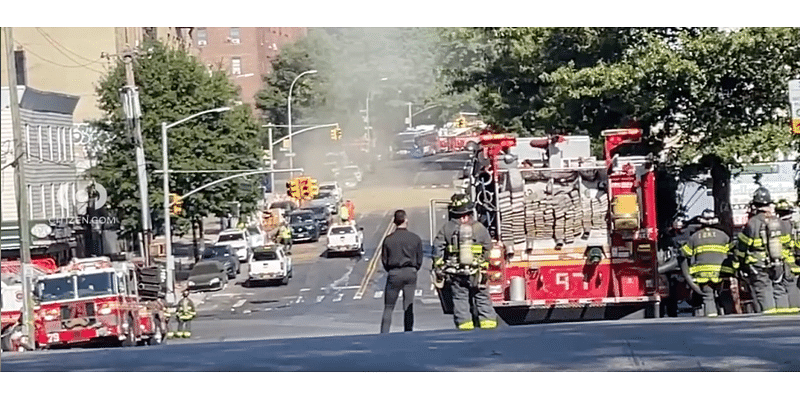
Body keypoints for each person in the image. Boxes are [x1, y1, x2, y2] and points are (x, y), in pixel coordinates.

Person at [432, 193, 498, 330]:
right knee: (482, 298)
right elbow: (488, 246)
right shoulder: (479, 227)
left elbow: (437, 248)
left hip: (456, 273)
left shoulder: (447, 228)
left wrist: (438, 266)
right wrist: (484, 264)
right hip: (477, 272)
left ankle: (465, 328)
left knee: (460, 300)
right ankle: (489, 327)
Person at [736, 187, 791, 314]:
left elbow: (742, 247)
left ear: (755, 205)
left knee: (764, 292)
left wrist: (739, 264)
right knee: (779, 289)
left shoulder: (752, 223)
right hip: (779, 263)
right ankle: (784, 321)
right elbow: (787, 243)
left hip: (758, 265)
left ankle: (770, 322)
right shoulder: (778, 222)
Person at [680, 209, 735, 317]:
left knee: (708, 297)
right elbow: (733, 252)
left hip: (703, 275)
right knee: (723, 295)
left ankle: (712, 319)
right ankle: (727, 315)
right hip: (721, 274)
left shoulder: (695, 237)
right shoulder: (723, 236)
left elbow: (685, 254)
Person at [379, 210, 423, 333]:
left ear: (394, 222)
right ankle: (408, 331)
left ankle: (384, 333)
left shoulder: (388, 240)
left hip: (394, 273)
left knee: (388, 307)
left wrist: (391, 270)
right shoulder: (415, 238)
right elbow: (419, 258)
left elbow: (385, 260)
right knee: (408, 305)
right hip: (410, 272)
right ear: (406, 220)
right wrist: (414, 268)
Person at [774, 199, 800, 313]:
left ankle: (783, 313)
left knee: (779, 288)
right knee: (792, 287)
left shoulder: (774, 225)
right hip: (794, 263)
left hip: (779, 262)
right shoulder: (795, 226)